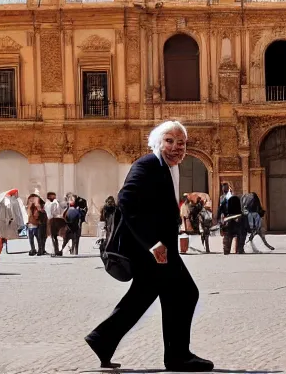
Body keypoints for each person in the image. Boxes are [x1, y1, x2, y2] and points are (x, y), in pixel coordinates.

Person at [85, 120, 213, 372]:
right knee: (186, 293)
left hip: (159, 249)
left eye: (181, 143)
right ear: (156, 142)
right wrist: (152, 244)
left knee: (145, 295)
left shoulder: (165, 168)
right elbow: (127, 201)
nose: (176, 147)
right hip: (152, 250)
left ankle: (102, 339)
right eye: (170, 141)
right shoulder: (147, 164)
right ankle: (177, 356)